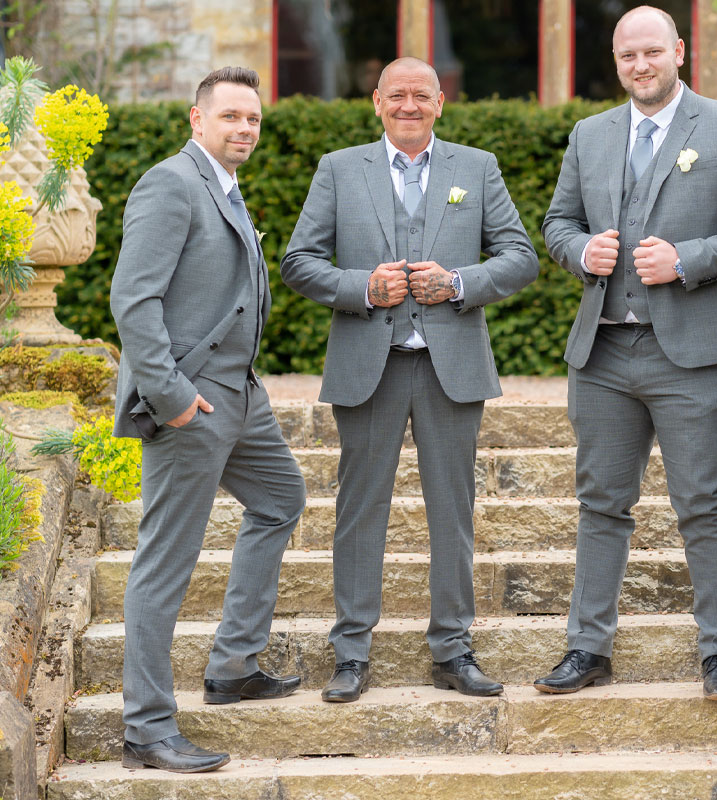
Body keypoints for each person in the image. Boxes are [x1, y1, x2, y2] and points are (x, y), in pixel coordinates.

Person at [536, 5, 717, 700]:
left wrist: (690, 258)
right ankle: (588, 647)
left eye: (651, 52)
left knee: (704, 502)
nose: (639, 66)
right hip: (605, 350)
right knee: (600, 503)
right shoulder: (590, 134)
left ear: (678, 50)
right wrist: (581, 249)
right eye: (626, 57)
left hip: (695, 354)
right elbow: (558, 222)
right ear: (616, 63)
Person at [281, 57, 538, 702]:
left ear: (440, 102)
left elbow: (520, 257)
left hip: (451, 367)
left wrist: (459, 283)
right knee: (358, 510)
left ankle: (453, 649)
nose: (408, 105)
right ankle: (351, 653)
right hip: (369, 364)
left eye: (420, 95)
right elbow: (298, 261)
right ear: (376, 102)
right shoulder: (339, 169)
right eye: (396, 95)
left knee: (453, 511)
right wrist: (360, 287)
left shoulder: (476, 168)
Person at [110, 67, 306, 773]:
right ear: (197, 120)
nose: (244, 129)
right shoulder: (169, 184)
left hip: (240, 397)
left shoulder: (224, 186)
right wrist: (169, 397)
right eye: (230, 117)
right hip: (189, 402)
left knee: (282, 499)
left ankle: (231, 666)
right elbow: (134, 300)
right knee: (164, 564)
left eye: (252, 118)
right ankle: (147, 729)